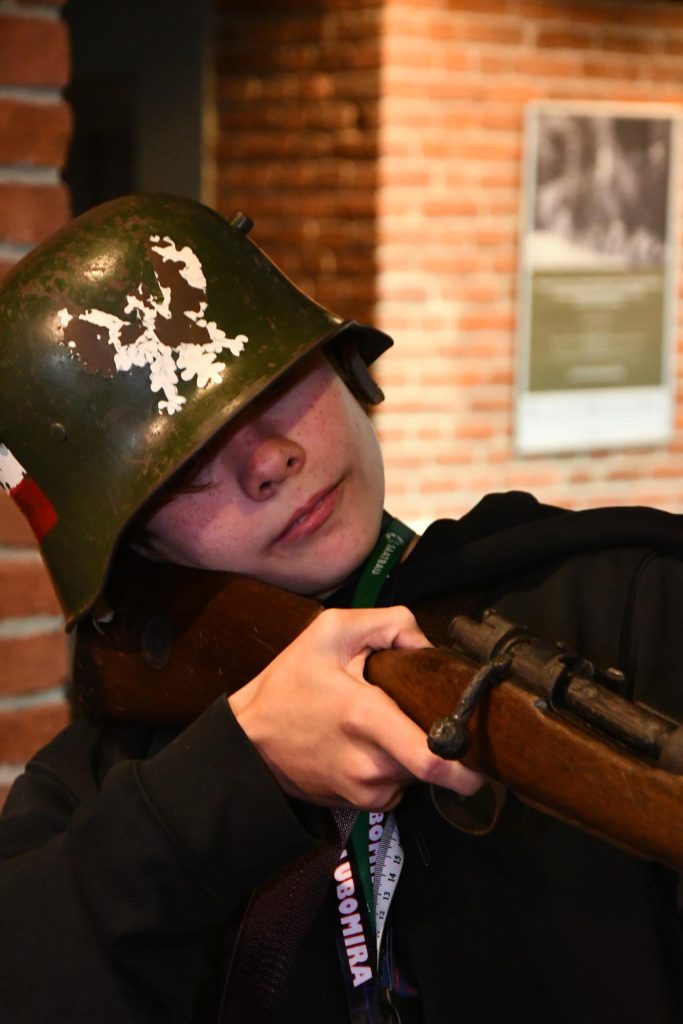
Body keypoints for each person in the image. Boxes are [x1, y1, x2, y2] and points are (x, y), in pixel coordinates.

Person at [0, 193, 683, 1024]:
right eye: (184, 465)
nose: (270, 459)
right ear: (131, 542)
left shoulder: (622, 597)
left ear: (341, 364)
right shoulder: (112, 779)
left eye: (275, 383)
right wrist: (235, 778)